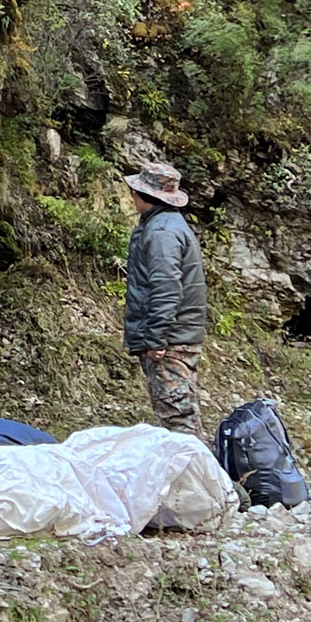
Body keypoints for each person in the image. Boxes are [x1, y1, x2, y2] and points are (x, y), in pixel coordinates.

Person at [123, 161, 208, 436]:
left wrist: (156, 339)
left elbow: (166, 288)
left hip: (171, 340)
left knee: (178, 418)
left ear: (144, 196)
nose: (132, 196)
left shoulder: (161, 232)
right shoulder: (168, 224)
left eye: (134, 192)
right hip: (178, 335)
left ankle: (197, 478)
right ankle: (197, 476)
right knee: (181, 414)